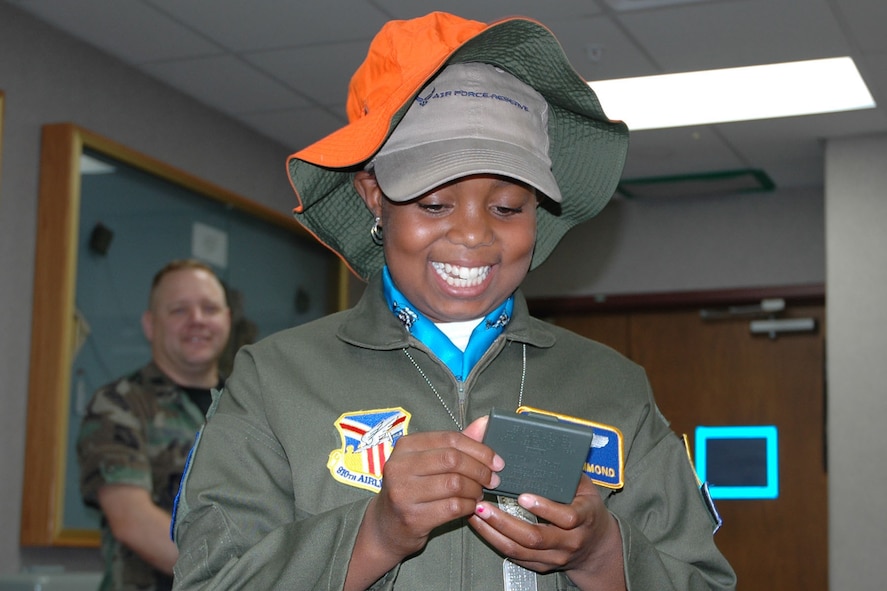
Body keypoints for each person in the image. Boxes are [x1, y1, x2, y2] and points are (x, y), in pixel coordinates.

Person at [171, 12, 736, 591]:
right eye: (435, 205)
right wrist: (374, 535)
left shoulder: (615, 389)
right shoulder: (275, 383)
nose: (472, 236)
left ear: (539, 213)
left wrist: (601, 555)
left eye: (508, 207)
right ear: (375, 198)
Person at [78, 259, 232, 591]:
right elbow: (132, 521)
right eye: (179, 310)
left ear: (227, 320)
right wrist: (236, 579)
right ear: (150, 325)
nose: (197, 320)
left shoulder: (248, 406)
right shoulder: (119, 405)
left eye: (210, 308)